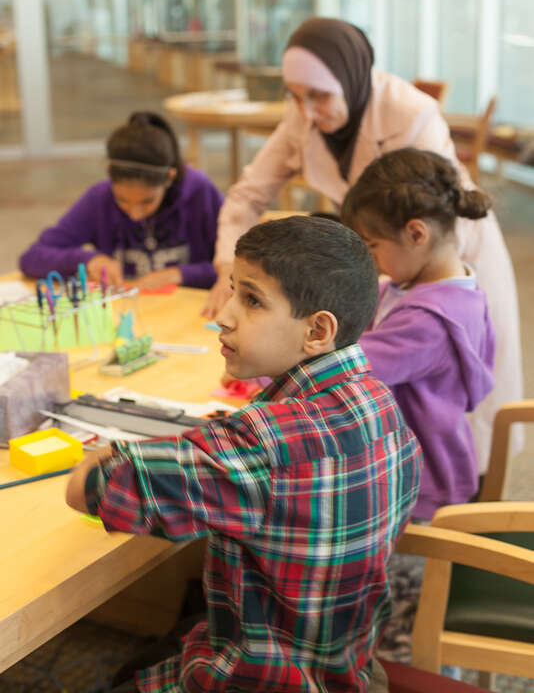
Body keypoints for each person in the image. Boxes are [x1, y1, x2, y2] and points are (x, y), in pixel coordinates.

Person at [66, 216, 422, 693]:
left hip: (258, 679)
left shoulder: (261, 444)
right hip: (347, 667)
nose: (224, 315)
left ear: (317, 331)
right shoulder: (381, 405)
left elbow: (88, 487)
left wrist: (112, 452)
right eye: (232, 291)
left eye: (252, 300)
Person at [203, 16, 523, 481]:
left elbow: (423, 221)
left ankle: (459, 495)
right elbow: (249, 193)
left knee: (451, 401)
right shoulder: (305, 110)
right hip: (393, 257)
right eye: (295, 96)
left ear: (349, 76)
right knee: (421, 396)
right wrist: (226, 268)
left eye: (318, 96)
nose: (307, 111)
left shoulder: (409, 113)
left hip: (447, 252)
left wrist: (274, 366)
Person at [342, 147, 495, 518]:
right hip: (414, 468)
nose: (370, 258)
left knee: (405, 576)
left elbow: (350, 368)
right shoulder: (437, 286)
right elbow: (363, 313)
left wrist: (273, 363)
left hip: (419, 487)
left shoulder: (431, 321)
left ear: (415, 234)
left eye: (372, 245)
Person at [19, 111, 224, 290]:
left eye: (147, 202)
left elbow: (242, 267)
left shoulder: (200, 193)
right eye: (123, 201)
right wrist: (89, 260)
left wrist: (180, 274)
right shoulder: (99, 198)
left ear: (169, 178)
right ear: (110, 176)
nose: (135, 214)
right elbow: (32, 258)